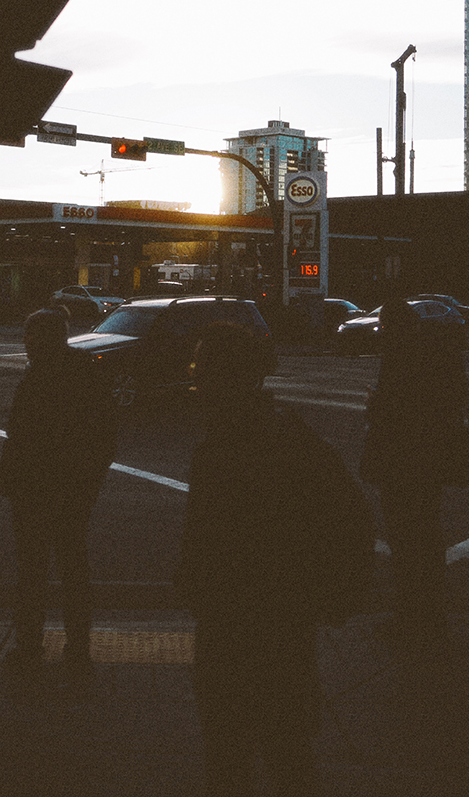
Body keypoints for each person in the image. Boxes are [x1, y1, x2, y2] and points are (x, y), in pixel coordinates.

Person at [177, 321, 375, 797]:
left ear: (225, 378)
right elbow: (352, 520)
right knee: (287, 754)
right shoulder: (293, 439)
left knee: (231, 756)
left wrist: (196, 585)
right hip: (284, 624)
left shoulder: (221, 451)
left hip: (235, 622)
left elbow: (205, 541)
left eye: (202, 368)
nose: (196, 378)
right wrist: (331, 598)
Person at [0, 307, 116, 677]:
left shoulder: (38, 377)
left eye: (30, 336)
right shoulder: (86, 374)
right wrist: (89, 481)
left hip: (35, 489)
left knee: (32, 571)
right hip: (73, 489)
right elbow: (105, 435)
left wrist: (10, 473)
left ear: (42, 339)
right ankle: (77, 647)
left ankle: (29, 645)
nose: (26, 343)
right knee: (72, 567)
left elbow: (20, 434)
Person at [361, 296, 469, 648]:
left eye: (382, 327)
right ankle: (431, 616)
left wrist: (374, 403)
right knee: (427, 535)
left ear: (391, 326)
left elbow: (393, 410)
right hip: (431, 459)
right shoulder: (435, 353)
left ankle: (409, 616)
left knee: (405, 540)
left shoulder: (399, 356)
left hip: (400, 461)